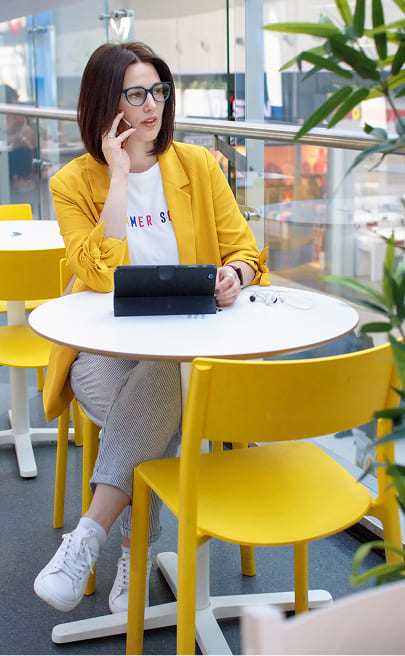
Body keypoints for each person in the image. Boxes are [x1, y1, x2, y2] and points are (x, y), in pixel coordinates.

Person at [33, 41, 269, 615]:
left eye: (158, 91)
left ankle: (92, 537)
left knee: (167, 375)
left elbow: (246, 251)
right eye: (135, 94)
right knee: (165, 401)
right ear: (105, 103)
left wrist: (235, 275)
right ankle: (133, 551)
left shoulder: (197, 166)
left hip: (188, 348)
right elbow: (97, 272)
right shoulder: (72, 183)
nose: (151, 106)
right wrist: (118, 177)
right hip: (101, 353)